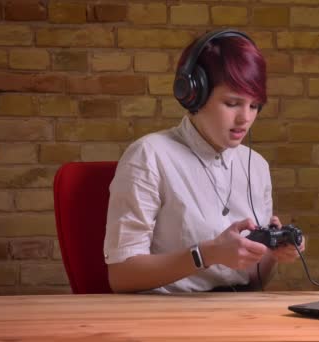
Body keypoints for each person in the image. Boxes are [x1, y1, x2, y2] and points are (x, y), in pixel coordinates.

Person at [103, 29, 305, 294]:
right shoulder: (149, 156)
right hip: (167, 318)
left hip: (237, 315)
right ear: (193, 94)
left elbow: (254, 282)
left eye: (254, 106)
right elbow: (121, 276)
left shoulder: (256, 166)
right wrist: (205, 254)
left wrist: (273, 251)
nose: (245, 118)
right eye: (233, 103)